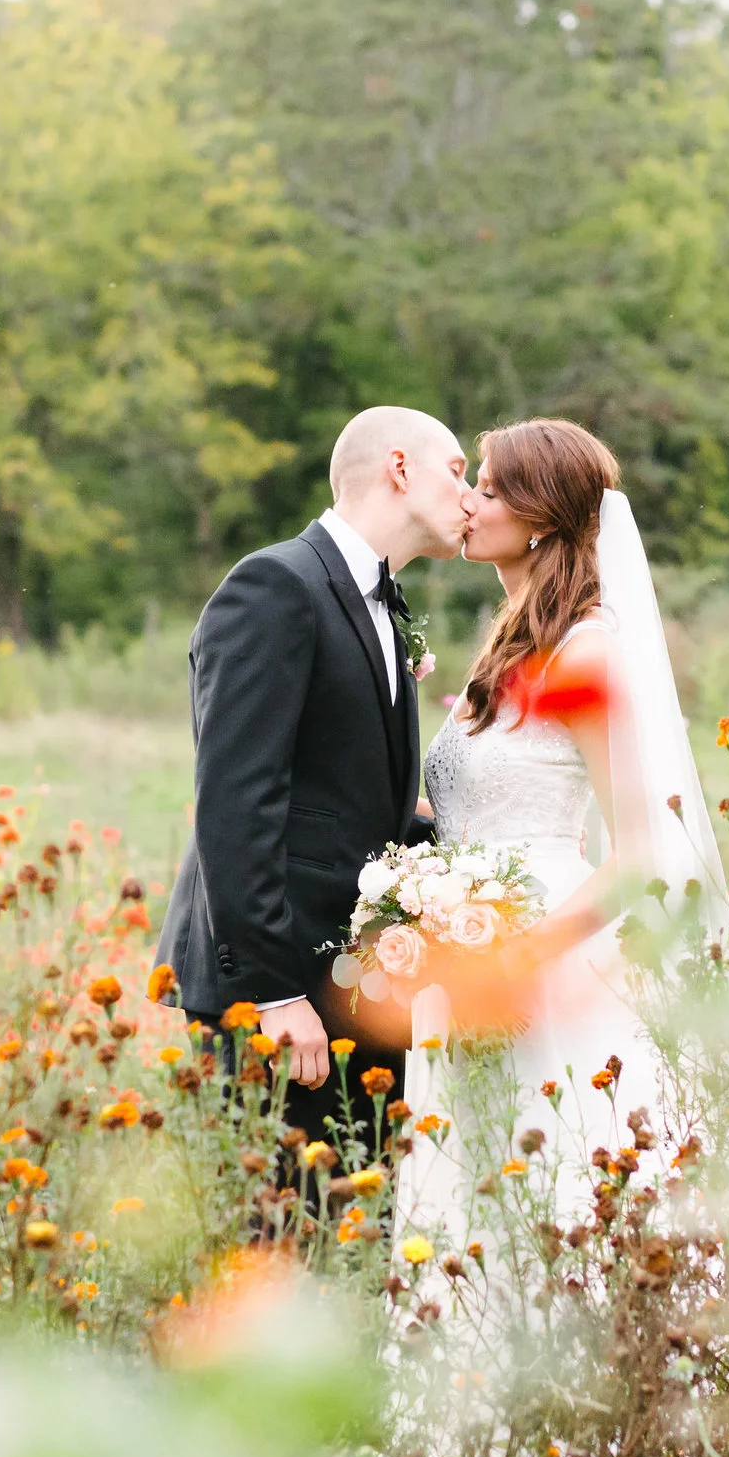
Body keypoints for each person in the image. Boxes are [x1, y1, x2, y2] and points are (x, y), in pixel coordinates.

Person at [400, 416, 729, 1238]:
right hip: (466, 946)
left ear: (540, 518)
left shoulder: (584, 653)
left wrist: (517, 959)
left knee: (549, 1182)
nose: (468, 503)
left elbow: (641, 852)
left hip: (542, 950)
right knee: (478, 1191)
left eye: (488, 489)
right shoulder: (509, 646)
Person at [155, 406, 469, 1140]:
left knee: (353, 1202)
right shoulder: (275, 585)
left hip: (353, 984)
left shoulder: (381, 603)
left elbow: (346, 804)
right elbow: (237, 802)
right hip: (280, 994)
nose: (471, 495)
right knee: (277, 1208)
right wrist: (271, 994)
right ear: (399, 468)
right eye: (457, 472)